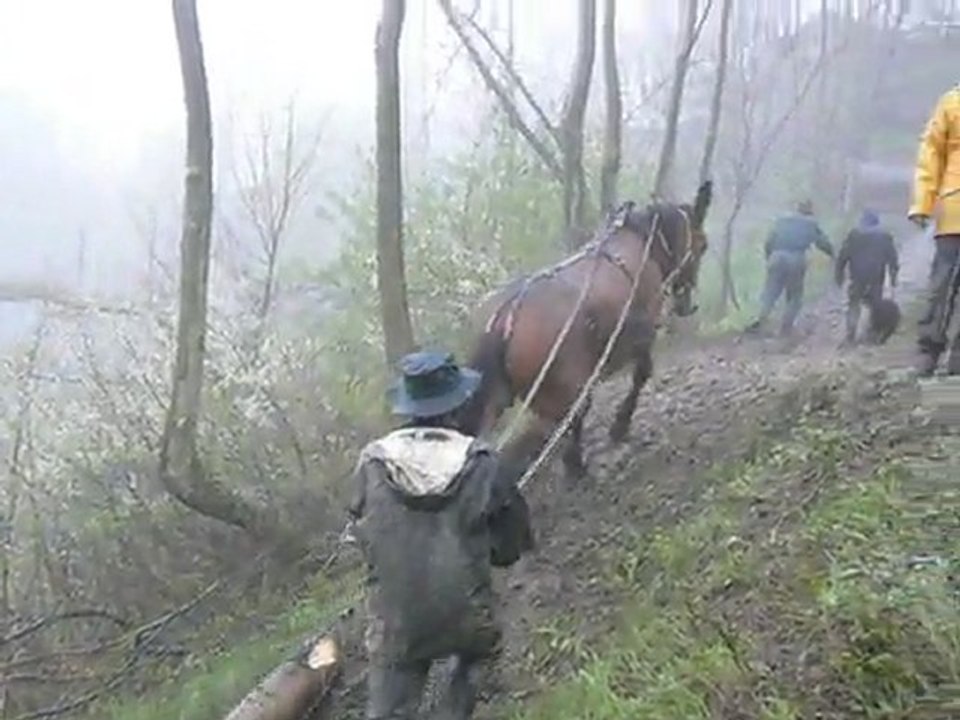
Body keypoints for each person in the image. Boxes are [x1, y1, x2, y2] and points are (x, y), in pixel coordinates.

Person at [348, 350, 534, 720]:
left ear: (406, 405)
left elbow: (362, 536)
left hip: (397, 622)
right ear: (459, 402)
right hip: (466, 615)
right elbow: (510, 548)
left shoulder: (372, 462)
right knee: (476, 651)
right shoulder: (484, 461)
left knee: (389, 694)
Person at [908, 83, 960, 376]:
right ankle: (928, 351)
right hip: (954, 211)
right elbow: (931, 152)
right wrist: (922, 203)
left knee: (941, 284)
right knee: (941, 284)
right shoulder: (952, 102)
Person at [745, 199, 835, 337]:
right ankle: (786, 327)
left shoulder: (781, 221)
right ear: (809, 210)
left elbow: (769, 241)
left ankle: (760, 320)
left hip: (776, 256)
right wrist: (833, 255)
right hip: (796, 258)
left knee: (770, 292)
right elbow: (823, 243)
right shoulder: (810, 223)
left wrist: (769, 257)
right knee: (794, 295)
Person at [835, 208, 899, 345]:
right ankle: (872, 334)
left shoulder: (854, 234)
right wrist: (893, 277)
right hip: (876, 275)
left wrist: (839, 274)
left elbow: (843, 255)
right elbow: (892, 258)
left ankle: (850, 335)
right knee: (875, 305)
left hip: (857, 275)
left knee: (854, 303)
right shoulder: (884, 236)